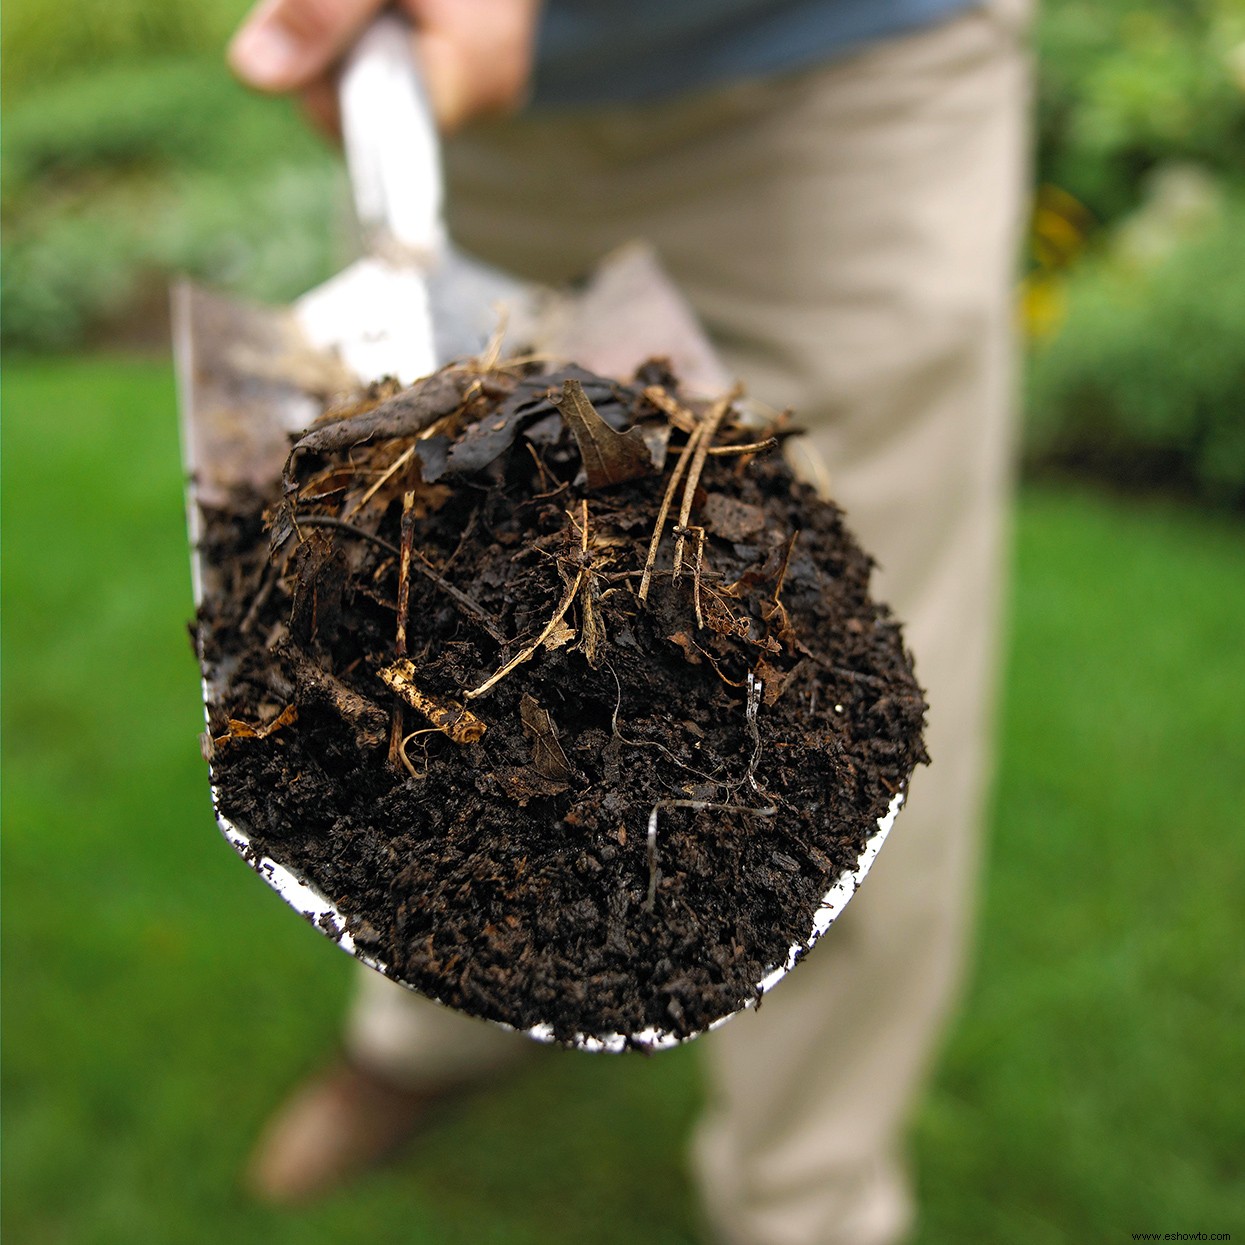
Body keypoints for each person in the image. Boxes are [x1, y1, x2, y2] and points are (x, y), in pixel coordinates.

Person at [228, 2, 1033, 1242]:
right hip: (462, 120)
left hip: (831, 95)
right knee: (400, 623)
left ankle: (802, 1199)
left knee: (827, 714)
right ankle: (430, 1030)